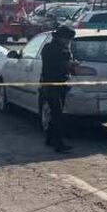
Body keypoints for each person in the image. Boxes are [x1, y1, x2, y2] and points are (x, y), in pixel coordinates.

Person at [40, 25, 77, 153]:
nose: (68, 41)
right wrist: (71, 64)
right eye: (67, 39)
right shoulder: (57, 50)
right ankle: (58, 143)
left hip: (56, 84)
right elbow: (62, 65)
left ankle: (50, 139)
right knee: (57, 114)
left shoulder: (55, 48)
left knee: (55, 112)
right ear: (61, 38)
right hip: (53, 85)